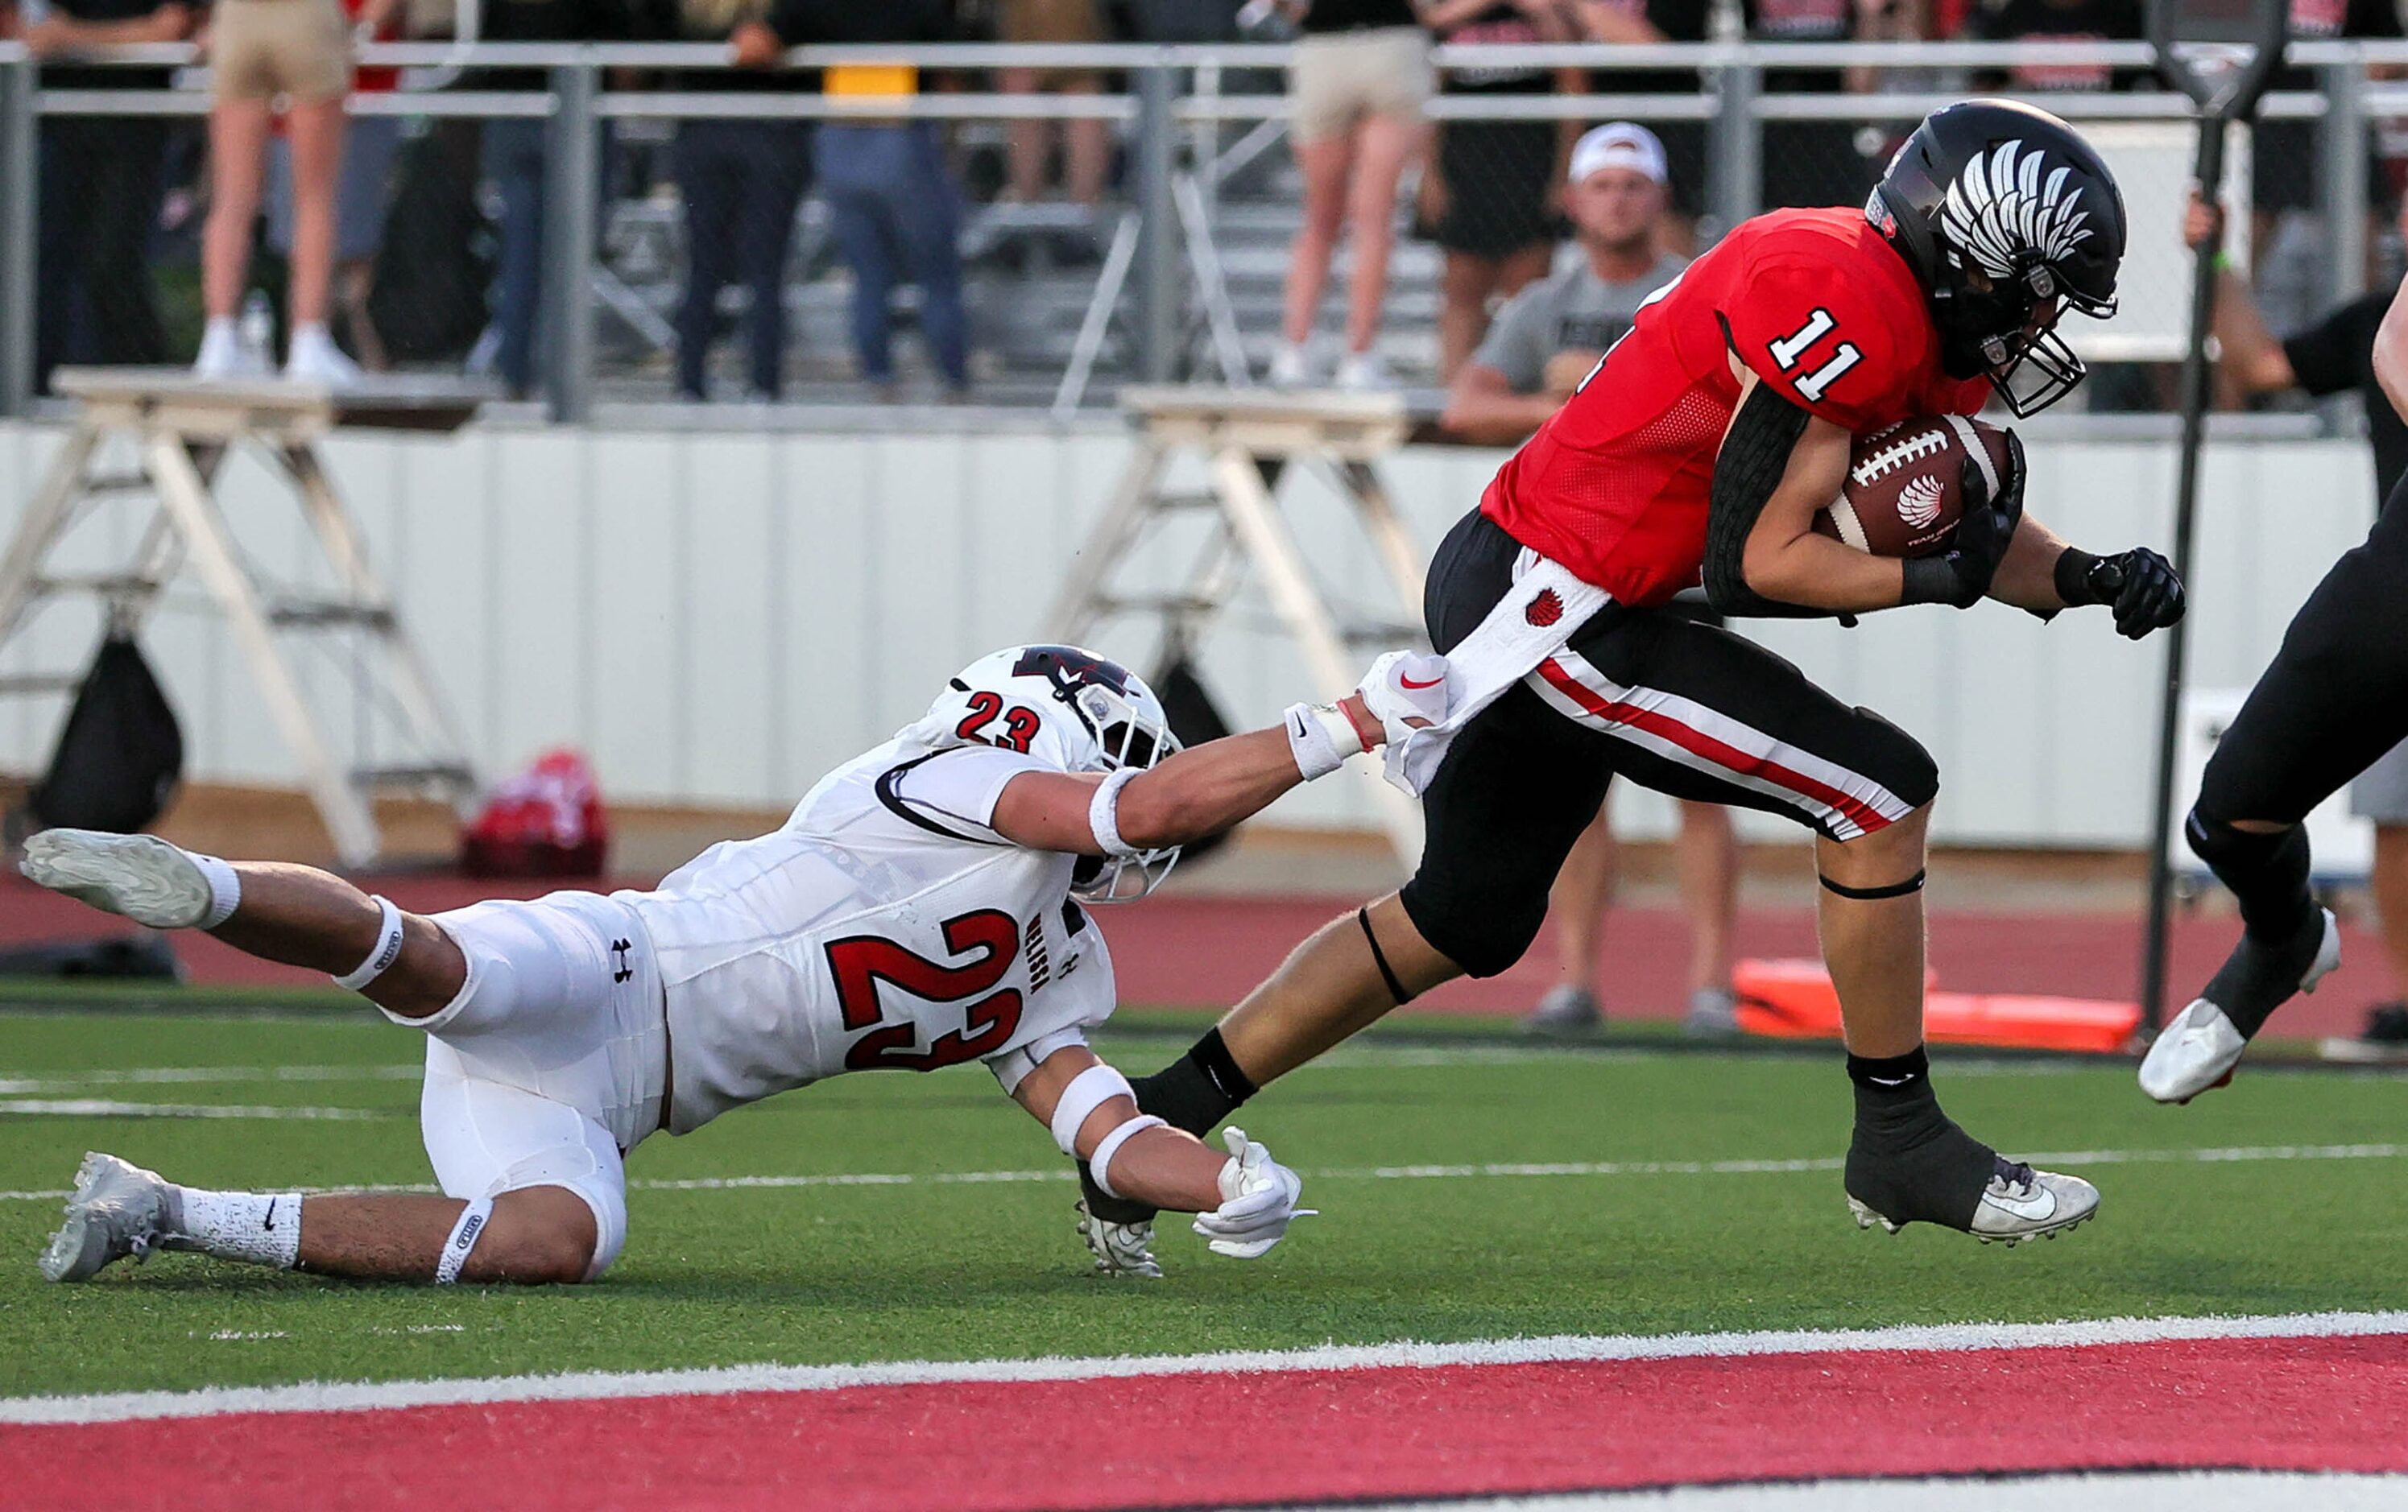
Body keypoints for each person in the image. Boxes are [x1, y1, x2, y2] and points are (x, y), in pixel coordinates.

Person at [1083, 101, 2190, 1274]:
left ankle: (1154, 1112)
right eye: (2032, 289)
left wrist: (2079, 574)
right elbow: (1757, 562)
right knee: (1875, 789)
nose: (2040, 320)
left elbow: (1946, 514)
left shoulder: (1895, 307)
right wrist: (1937, 578)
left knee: (1462, 914)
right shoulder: (1847, 300)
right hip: (1555, 601)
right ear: (1961, 249)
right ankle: (1899, 1136)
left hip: (1562, 580)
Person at [31, 644, 1446, 1287]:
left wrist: (1230, 1176)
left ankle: (167, 1210)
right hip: (607, 963)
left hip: (604, 1109)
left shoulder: (1061, 960)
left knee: (558, 1244)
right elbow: (1144, 813)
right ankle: (195, 883)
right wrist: (1350, 720)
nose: (1141, 813)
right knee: (430, 959)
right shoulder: (942, 775)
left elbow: (1103, 1125)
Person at [1439, 121, 1738, 1037]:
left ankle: (1711, 986)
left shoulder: (1695, 287)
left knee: (1703, 780)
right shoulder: (1543, 303)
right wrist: (1561, 407)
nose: (1616, 200)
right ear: (1572, 201)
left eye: (1632, 185)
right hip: (1569, 568)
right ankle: (1572, 979)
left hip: (1678, 562)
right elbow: (1465, 403)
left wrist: (1604, 398)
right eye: (1600, 185)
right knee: (1575, 782)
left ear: (1658, 199)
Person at [2139, 213, 2408, 1100]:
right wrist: (2211, 255)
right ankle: (2283, 939)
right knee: (2232, 809)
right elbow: (2377, 349)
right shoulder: (2372, 311)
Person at [801, 0, 975, 399]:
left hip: (841, 138)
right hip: (899, 136)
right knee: (937, 274)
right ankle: (953, 380)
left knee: (869, 276)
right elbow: (949, 55)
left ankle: (878, 378)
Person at [192, 0, 370, 382]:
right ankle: (308, 339)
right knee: (315, 198)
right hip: (306, 16)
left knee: (232, 199)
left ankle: (218, 339)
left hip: (239, 17)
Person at [1265, 0, 1433, 390]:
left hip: (1325, 47)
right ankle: (1359, 355)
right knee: (1373, 220)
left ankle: (1295, 349)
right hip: (1394, 44)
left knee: (1321, 219)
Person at [1417, 0, 1583, 382]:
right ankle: (1454, 394)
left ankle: (1520, 393)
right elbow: (1428, 92)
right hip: (1466, 158)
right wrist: (1429, 174)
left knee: (1528, 286)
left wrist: (1565, 172)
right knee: (1462, 286)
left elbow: (1574, 81)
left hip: (1532, 157)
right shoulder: (1451, 13)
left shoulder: (1545, 11)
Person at [26, 0, 188, 390]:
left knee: (111, 266)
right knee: (42, 269)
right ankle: (36, 391)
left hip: (133, 125)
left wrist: (73, 39)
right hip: (56, 124)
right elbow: (33, 33)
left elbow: (168, 29)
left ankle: (153, 397)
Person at [663, 0, 818, 402]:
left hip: (707, 132)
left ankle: (691, 382)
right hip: (769, 131)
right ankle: (761, 385)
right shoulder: (783, 15)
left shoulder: (693, 14)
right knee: (763, 268)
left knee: (704, 266)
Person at [999, 0, 1112, 209]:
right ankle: (1026, 205)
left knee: (1085, 111)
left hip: (1078, 62)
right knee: (1021, 94)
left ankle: (1084, 210)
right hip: (1022, 64)